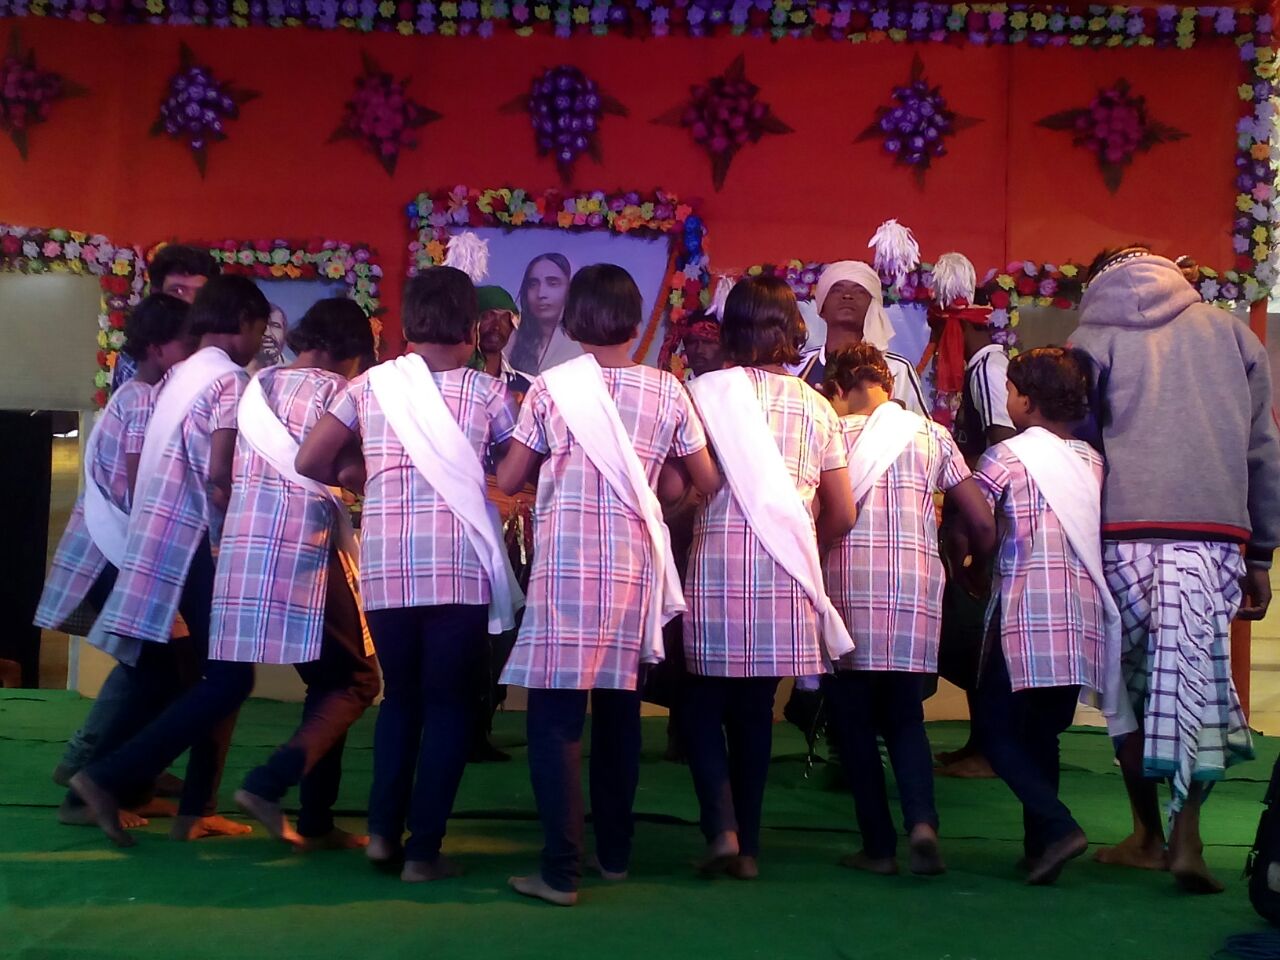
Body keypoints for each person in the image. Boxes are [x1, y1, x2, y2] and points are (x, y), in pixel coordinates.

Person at [496, 264, 719, 907]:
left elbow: (510, 478)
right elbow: (702, 480)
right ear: (633, 316)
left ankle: (560, 871)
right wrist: (657, 490)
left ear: (572, 320)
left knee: (556, 720)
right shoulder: (668, 390)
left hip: (567, 568)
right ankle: (615, 856)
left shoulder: (551, 389)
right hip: (632, 570)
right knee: (620, 714)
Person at [296, 267, 520, 883]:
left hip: (387, 569)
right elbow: (515, 468)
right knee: (448, 707)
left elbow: (309, 458)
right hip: (459, 571)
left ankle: (379, 836)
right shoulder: (487, 393)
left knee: (400, 701)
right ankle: (423, 852)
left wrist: (359, 474)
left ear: (407, 325)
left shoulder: (369, 386)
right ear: (471, 328)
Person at [1071, 247, 1280, 893]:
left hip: (1121, 537)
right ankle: (1188, 834)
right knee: (1194, 683)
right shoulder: (1230, 334)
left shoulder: (1089, 338)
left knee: (1129, 695)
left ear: (1097, 279)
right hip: (1213, 538)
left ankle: (1146, 837)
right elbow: (1262, 448)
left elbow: (1078, 445)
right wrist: (1261, 553)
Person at [70, 276, 270, 846]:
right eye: (259, 332)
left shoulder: (180, 376)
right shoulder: (228, 379)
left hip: (161, 542)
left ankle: (192, 807)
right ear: (244, 322)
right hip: (198, 544)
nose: (258, 345)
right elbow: (221, 478)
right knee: (228, 677)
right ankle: (106, 778)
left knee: (214, 676)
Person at [681, 275, 858, 880]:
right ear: (795, 329)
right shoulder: (817, 405)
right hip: (786, 571)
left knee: (701, 706)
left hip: (717, 566)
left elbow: (680, 484)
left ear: (730, 330)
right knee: (756, 711)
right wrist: (802, 544)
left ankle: (721, 829)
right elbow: (843, 513)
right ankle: (749, 849)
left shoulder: (703, 394)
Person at [209, 298, 380, 851]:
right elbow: (349, 471)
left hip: (245, 546)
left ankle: (316, 819)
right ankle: (269, 783)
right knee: (357, 680)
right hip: (306, 546)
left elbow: (220, 470)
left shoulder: (255, 385)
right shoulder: (340, 392)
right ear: (351, 352)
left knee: (330, 681)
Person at [820, 343, 994, 878]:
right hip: (914, 592)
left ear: (837, 388)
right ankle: (922, 824)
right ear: (888, 386)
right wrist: (971, 563)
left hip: (847, 589)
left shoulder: (829, 433)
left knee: (854, 725)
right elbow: (981, 520)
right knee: (904, 718)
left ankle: (878, 848)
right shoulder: (930, 434)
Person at [36, 294, 194, 828]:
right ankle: (93, 785)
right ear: (157, 347)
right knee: (157, 674)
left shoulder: (136, 393)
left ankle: (122, 782)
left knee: (158, 672)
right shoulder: (144, 400)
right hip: (120, 552)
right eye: (187, 342)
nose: (195, 352)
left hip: (118, 550)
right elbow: (140, 482)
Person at [971, 347, 1118, 885]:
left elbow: (976, 521)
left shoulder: (1006, 457)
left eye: (1010, 391)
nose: (1007, 399)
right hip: (1081, 616)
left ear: (1027, 402)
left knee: (996, 733)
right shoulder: (1093, 460)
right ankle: (1041, 851)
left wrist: (970, 561)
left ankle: (1057, 828)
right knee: (1044, 735)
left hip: (1025, 614)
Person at [930, 253, 1012, 779]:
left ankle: (991, 749)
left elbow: (1001, 440)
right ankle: (979, 741)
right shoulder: (983, 367)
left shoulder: (988, 367)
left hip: (993, 516)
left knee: (984, 633)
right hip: (979, 512)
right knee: (973, 631)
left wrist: (980, 522)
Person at [794, 261, 928, 415]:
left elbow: (920, 426)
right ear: (821, 308)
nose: (847, 296)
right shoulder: (798, 366)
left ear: (873, 307)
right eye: (837, 290)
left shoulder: (898, 369)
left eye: (859, 291)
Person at [112, 244, 219, 390]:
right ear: (156, 294)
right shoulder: (138, 357)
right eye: (178, 291)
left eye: (200, 293)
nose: (190, 301)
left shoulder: (222, 346)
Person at [507, 253, 582, 376]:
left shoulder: (585, 346)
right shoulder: (511, 340)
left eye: (552, 283)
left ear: (570, 289)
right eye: (533, 285)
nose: (541, 294)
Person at [246, 303, 287, 375]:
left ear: (285, 333)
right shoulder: (232, 371)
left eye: (275, 326)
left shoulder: (294, 375)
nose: (268, 333)